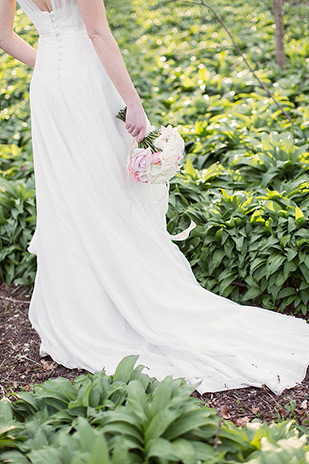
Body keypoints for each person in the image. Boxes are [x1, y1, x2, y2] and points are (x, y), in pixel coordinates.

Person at [0, 0, 308, 396]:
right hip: (87, 82)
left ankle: (83, 310)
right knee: (107, 189)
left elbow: (5, 37)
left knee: (68, 194)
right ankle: (125, 292)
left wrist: (50, 61)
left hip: (48, 87)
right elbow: (96, 34)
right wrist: (133, 101)